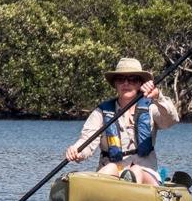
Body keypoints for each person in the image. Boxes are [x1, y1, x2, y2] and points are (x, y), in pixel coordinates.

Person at [62, 56, 179, 185]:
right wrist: (77, 151)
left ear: (140, 83)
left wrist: (158, 96)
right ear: (115, 84)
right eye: (121, 79)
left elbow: (171, 120)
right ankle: (97, 193)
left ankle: (132, 192)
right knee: (110, 167)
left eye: (133, 79)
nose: (126, 83)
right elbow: (86, 141)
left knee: (136, 170)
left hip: (145, 172)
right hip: (113, 172)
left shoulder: (151, 107)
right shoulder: (102, 112)